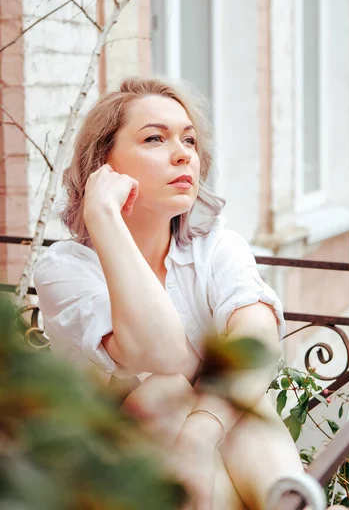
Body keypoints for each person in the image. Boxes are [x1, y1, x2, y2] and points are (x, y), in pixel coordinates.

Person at [34, 77, 306, 510]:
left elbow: (256, 344)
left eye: (190, 140)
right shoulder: (66, 269)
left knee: (228, 410)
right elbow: (160, 356)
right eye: (155, 138)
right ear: (104, 164)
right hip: (109, 476)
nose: (184, 154)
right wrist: (104, 216)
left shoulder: (214, 245)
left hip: (206, 458)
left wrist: (201, 433)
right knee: (164, 393)